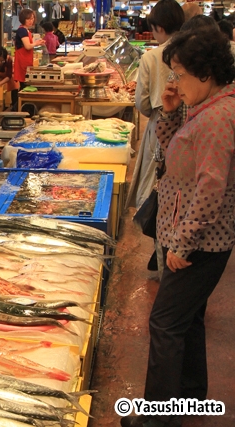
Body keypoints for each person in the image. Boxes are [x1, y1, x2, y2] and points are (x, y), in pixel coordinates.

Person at [121, 26, 235, 427]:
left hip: (200, 244)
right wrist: (169, 114)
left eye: (180, 74)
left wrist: (182, 246)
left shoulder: (220, 117)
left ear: (205, 73)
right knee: (187, 320)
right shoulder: (205, 108)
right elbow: (173, 153)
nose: (174, 82)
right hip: (192, 238)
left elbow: (211, 188)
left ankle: (156, 419)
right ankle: (188, 398)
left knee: (165, 323)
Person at [126, 0, 184, 275]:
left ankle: (163, 252)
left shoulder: (152, 57)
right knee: (180, 191)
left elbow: (143, 103)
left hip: (163, 123)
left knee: (157, 189)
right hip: (190, 125)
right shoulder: (193, 50)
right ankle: (168, 250)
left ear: (159, 27)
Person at [14, 9, 45, 98]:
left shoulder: (27, 31)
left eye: (32, 18)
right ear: (23, 19)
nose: (31, 21)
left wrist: (37, 43)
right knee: (24, 84)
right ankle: (20, 105)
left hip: (26, 59)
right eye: (28, 19)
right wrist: (37, 43)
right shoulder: (22, 30)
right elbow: (27, 46)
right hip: (22, 60)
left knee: (26, 83)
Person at [0, 46, 18, 111]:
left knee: (15, 86)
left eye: (2, 61)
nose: (0, 63)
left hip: (9, 77)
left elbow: (9, 75)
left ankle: (14, 106)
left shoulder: (9, 60)